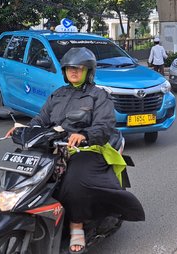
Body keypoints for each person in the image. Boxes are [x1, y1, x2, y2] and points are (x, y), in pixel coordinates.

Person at [26, 47, 145, 253]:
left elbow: (105, 125)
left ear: (88, 71)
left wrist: (86, 135)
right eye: (70, 68)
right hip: (56, 147)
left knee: (74, 181)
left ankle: (77, 225)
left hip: (89, 148)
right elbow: (41, 118)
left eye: (79, 68)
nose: (74, 72)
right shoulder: (58, 94)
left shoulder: (98, 95)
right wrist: (26, 130)